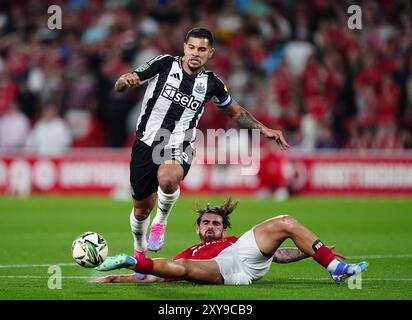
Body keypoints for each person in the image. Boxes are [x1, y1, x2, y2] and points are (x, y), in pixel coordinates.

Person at [114, 27, 290, 260]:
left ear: (210, 53)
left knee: (168, 179)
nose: (196, 53)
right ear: (185, 48)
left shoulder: (212, 83)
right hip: (147, 142)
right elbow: (120, 84)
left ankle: (161, 222)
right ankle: (140, 249)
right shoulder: (164, 64)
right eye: (192, 47)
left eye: (202, 49)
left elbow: (236, 112)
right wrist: (125, 81)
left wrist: (264, 129)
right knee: (140, 210)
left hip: (180, 142)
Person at [94, 198, 368, 285]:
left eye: (216, 223)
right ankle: (132, 261)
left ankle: (333, 267)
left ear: (224, 229)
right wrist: (116, 278)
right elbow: (156, 276)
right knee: (183, 267)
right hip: (219, 269)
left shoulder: (238, 241)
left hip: (243, 256)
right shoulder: (190, 251)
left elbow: (279, 256)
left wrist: (310, 251)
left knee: (285, 220)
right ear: (198, 228)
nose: (211, 227)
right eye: (206, 223)